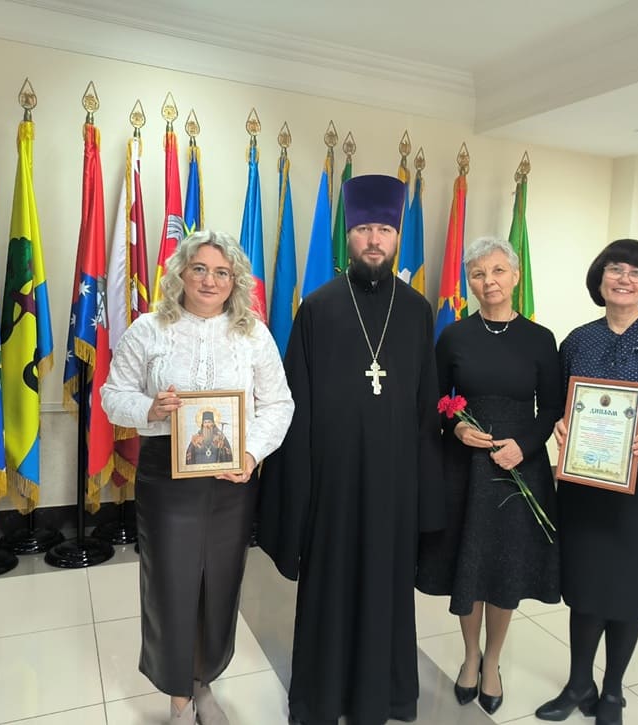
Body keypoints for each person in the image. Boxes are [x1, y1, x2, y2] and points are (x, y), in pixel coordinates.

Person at [258, 174, 444, 725]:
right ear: (349, 237)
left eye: (384, 229)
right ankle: (319, 699)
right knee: (330, 589)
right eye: (364, 229)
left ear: (397, 237)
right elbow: (296, 406)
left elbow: (426, 407)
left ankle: (383, 698)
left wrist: (425, 498)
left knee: (387, 590)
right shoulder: (317, 308)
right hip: (332, 485)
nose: (374, 240)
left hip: (395, 486)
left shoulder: (417, 311)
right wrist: (298, 494)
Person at [101, 230, 294, 725]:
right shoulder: (149, 330)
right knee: (171, 583)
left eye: (222, 272)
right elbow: (112, 396)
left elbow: (279, 403)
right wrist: (150, 407)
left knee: (220, 583)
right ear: (181, 274)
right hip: (167, 481)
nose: (210, 280)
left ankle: (203, 681)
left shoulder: (254, 335)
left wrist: (251, 453)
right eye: (200, 269)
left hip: (232, 481)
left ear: (235, 281)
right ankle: (178, 698)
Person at [535, 239, 638, 725]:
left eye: (636, 272)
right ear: (600, 278)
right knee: (586, 584)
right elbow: (559, 406)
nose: (624, 279)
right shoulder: (578, 341)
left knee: (629, 587)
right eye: (615, 269)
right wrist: (560, 425)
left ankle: (612, 691)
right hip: (585, 485)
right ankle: (578, 683)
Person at [416, 236, 563, 716]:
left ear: (515, 276)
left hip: (520, 464)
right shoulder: (454, 336)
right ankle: (470, 656)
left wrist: (526, 445)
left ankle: (493, 660)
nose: (489, 281)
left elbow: (553, 407)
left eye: (498, 271)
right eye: (478, 274)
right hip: (465, 468)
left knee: (505, 566)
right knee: (470, 562)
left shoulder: (540, 339)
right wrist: (457, 428)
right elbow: (437, 400)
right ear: (469, 282)